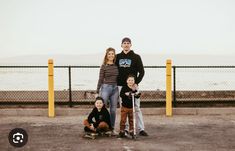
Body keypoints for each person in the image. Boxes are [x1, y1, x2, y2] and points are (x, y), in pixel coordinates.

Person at [115, 37, 148, 136]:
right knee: (124, 108)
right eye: (124, 43)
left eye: (128, 43)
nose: (126, 44)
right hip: (121, 86)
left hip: (133, 87)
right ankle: (124, 129)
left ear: (131, 45)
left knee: (137, 107)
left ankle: (141, 129)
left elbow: (142, 72)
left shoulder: (136, 57)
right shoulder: (117, 57)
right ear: (121, 45)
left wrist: (136, 83)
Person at [96, 47, 119, 134]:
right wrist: (97, 91)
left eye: (112, 54)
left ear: (114, 55)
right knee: (102, 108)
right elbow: (100, 79)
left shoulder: (117, 66)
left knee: (113, 110)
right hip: (105, 88)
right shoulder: (103, 66)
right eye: (109, 54)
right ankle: (101, 127)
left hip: (115, 89)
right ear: (106, 55)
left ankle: (111, 128)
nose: (111, 55)